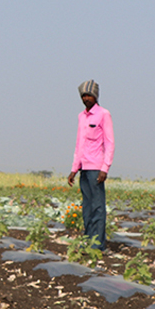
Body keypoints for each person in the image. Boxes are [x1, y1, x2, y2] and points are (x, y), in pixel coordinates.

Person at [67, 80, 115, 250]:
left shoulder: (103, 114)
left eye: (89, 95)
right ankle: (88, 242)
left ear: (95, 96)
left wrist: (105, 168)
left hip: (96, 168)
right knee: (87, 208)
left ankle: (98, 245)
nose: (86, 98)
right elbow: (79, 144)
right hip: (84, 169)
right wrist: (74, 169)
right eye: (83, 96)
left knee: (98, 207)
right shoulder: (81, 116)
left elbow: (109, 143)